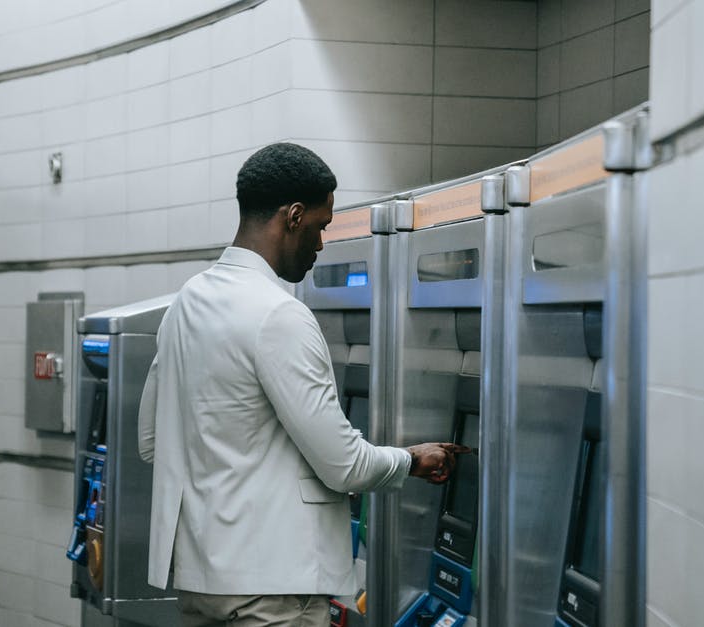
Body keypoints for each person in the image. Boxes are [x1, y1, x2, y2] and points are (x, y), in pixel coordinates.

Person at [138, 142, 466, 626]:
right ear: (293, 217)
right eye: (320, 227)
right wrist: (411, 460)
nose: (320, 243)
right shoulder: (279, 315)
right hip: (273, 595)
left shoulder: (186, 303)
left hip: (200, 583)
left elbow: (152, 443)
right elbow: (344, 465)